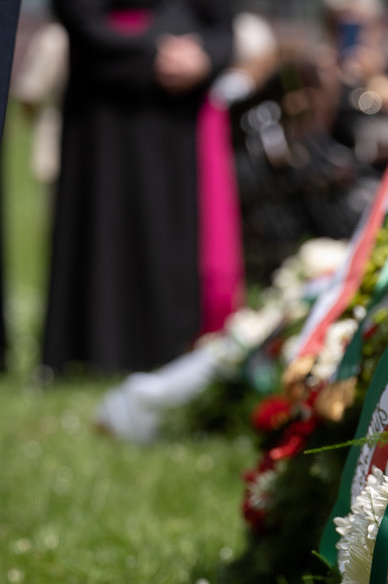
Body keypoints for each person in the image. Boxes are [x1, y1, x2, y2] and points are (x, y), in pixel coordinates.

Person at [42, 0, 234, 376]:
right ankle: (95, 347)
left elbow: (221, 23)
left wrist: (205, 56)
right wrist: (150, 51)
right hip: (102, 108)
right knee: (102, 222)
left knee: (166, 225)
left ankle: (167, 345)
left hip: (174, 115)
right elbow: (77, 13)